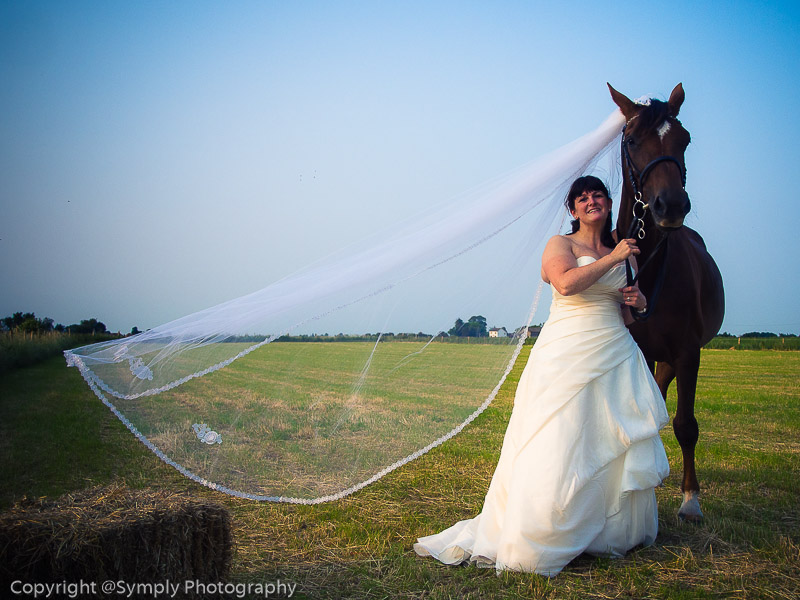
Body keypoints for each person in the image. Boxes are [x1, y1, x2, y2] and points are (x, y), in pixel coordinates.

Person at [413, 175, 670, 576]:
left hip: (614, 350)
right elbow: (566, 284)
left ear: (607, 201)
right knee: (561, 436)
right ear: (572, 210)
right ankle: (544, 535)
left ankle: (605, 532)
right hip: (567, 351)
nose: (591, 202)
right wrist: (614, 257)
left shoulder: (626, 255)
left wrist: (638, 303)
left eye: (597, 195)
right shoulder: (562, 245)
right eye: (582, 198)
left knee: (606, 435)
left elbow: (625, 313)